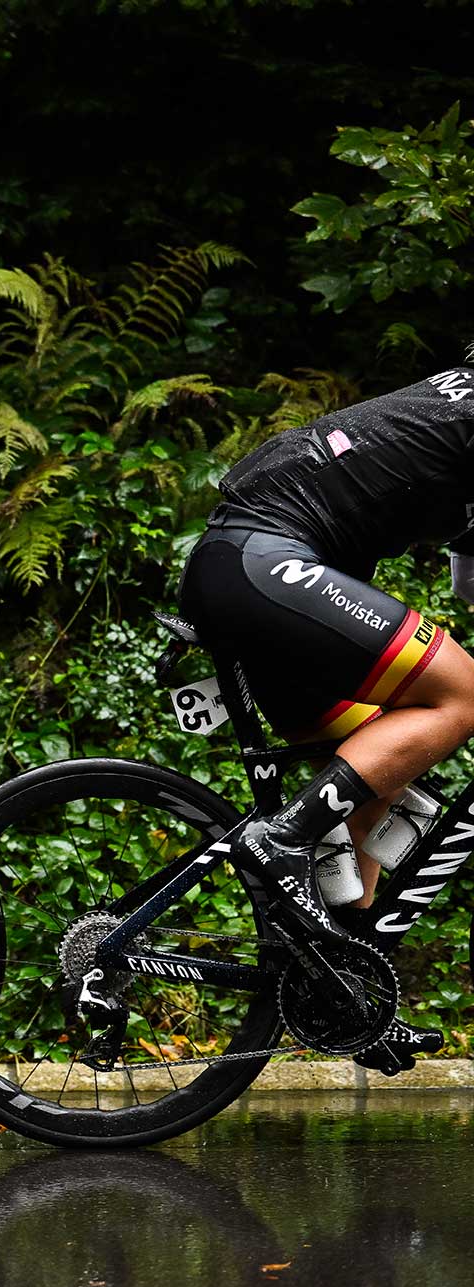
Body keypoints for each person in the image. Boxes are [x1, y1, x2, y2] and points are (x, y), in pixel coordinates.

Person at [179, 362, 474, 1074]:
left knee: (378, 769)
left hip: (244, 563)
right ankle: (284, 839)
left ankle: (345, 994)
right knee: (463, 695)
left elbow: (470, 586)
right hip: (261, 561)